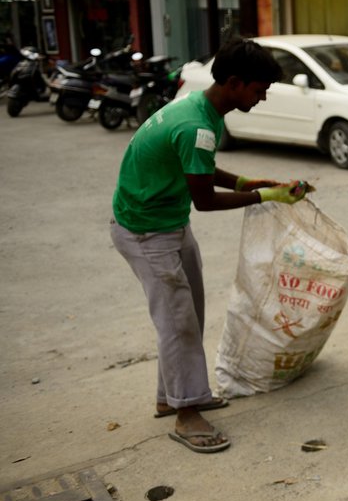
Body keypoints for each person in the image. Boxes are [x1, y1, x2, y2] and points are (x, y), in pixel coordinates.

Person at [111, 38, 311, 454]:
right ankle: (186, 413)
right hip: (146, 231)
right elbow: (204, 200)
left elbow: (198, 168)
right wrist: (265, 196)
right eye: (258, 89)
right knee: (177, 321)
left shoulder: (204, 110)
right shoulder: (196, 125)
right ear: (234, 83)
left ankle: (172, 396)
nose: (262, 97)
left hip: (168, 222)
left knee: (188, 313)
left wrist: (244, 182)